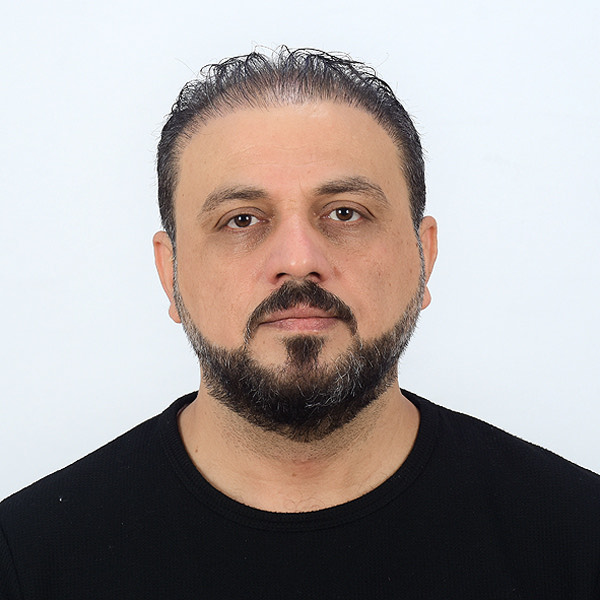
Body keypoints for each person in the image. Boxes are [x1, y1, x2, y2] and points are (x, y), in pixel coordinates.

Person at [1, 47, 599, 599]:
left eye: (345, 213)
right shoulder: (27, 559)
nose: (298, 260)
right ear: (170, 273)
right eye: (241, 219)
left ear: (425, 256)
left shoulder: (577, 541)